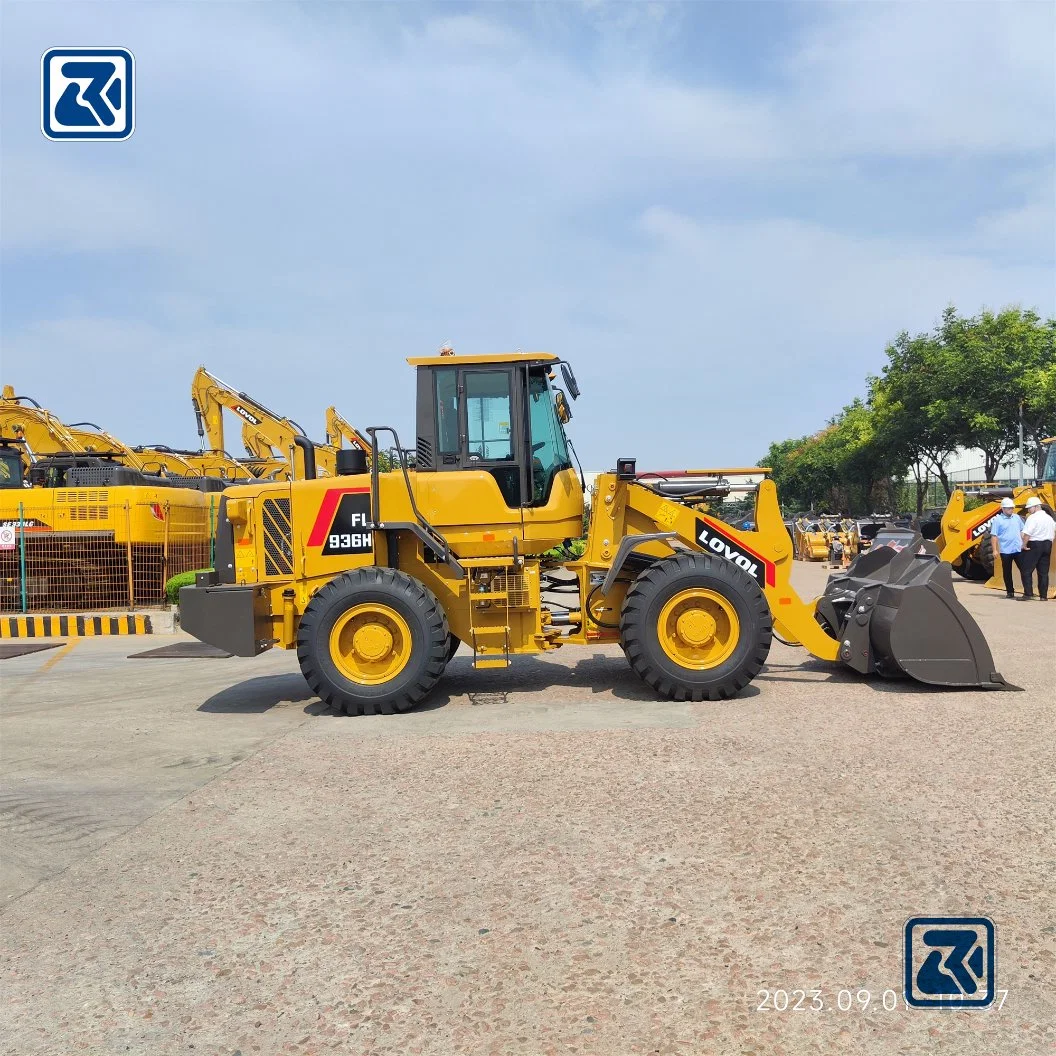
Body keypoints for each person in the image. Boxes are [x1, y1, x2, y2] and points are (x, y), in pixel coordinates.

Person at [1020, 495, 1055, 601]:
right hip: (1047, 545)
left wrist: (1024, 545)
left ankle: (1028, 594)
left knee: (1026, 570)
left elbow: (1027, 534)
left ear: (1036, 506)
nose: (1028, 510)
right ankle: (1043, 596)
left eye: (1029, 508)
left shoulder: (1032, 518)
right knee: (1043, 572)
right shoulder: (1049, 518)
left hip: (1035, 545)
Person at [990, 498, 1024, 599]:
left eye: (1012, 508)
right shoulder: (997, 520)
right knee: (1007, 571)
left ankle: (1027, 590)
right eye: (1009, 508)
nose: (1011, 509)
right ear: (1003, 509)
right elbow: (994, 536)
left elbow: (1022, 530)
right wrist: (995, 550)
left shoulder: (1017, 518)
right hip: (1006, 550)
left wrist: (1024, 544)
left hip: (1018, 549)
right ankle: (1010, 591)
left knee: (1024, 570)